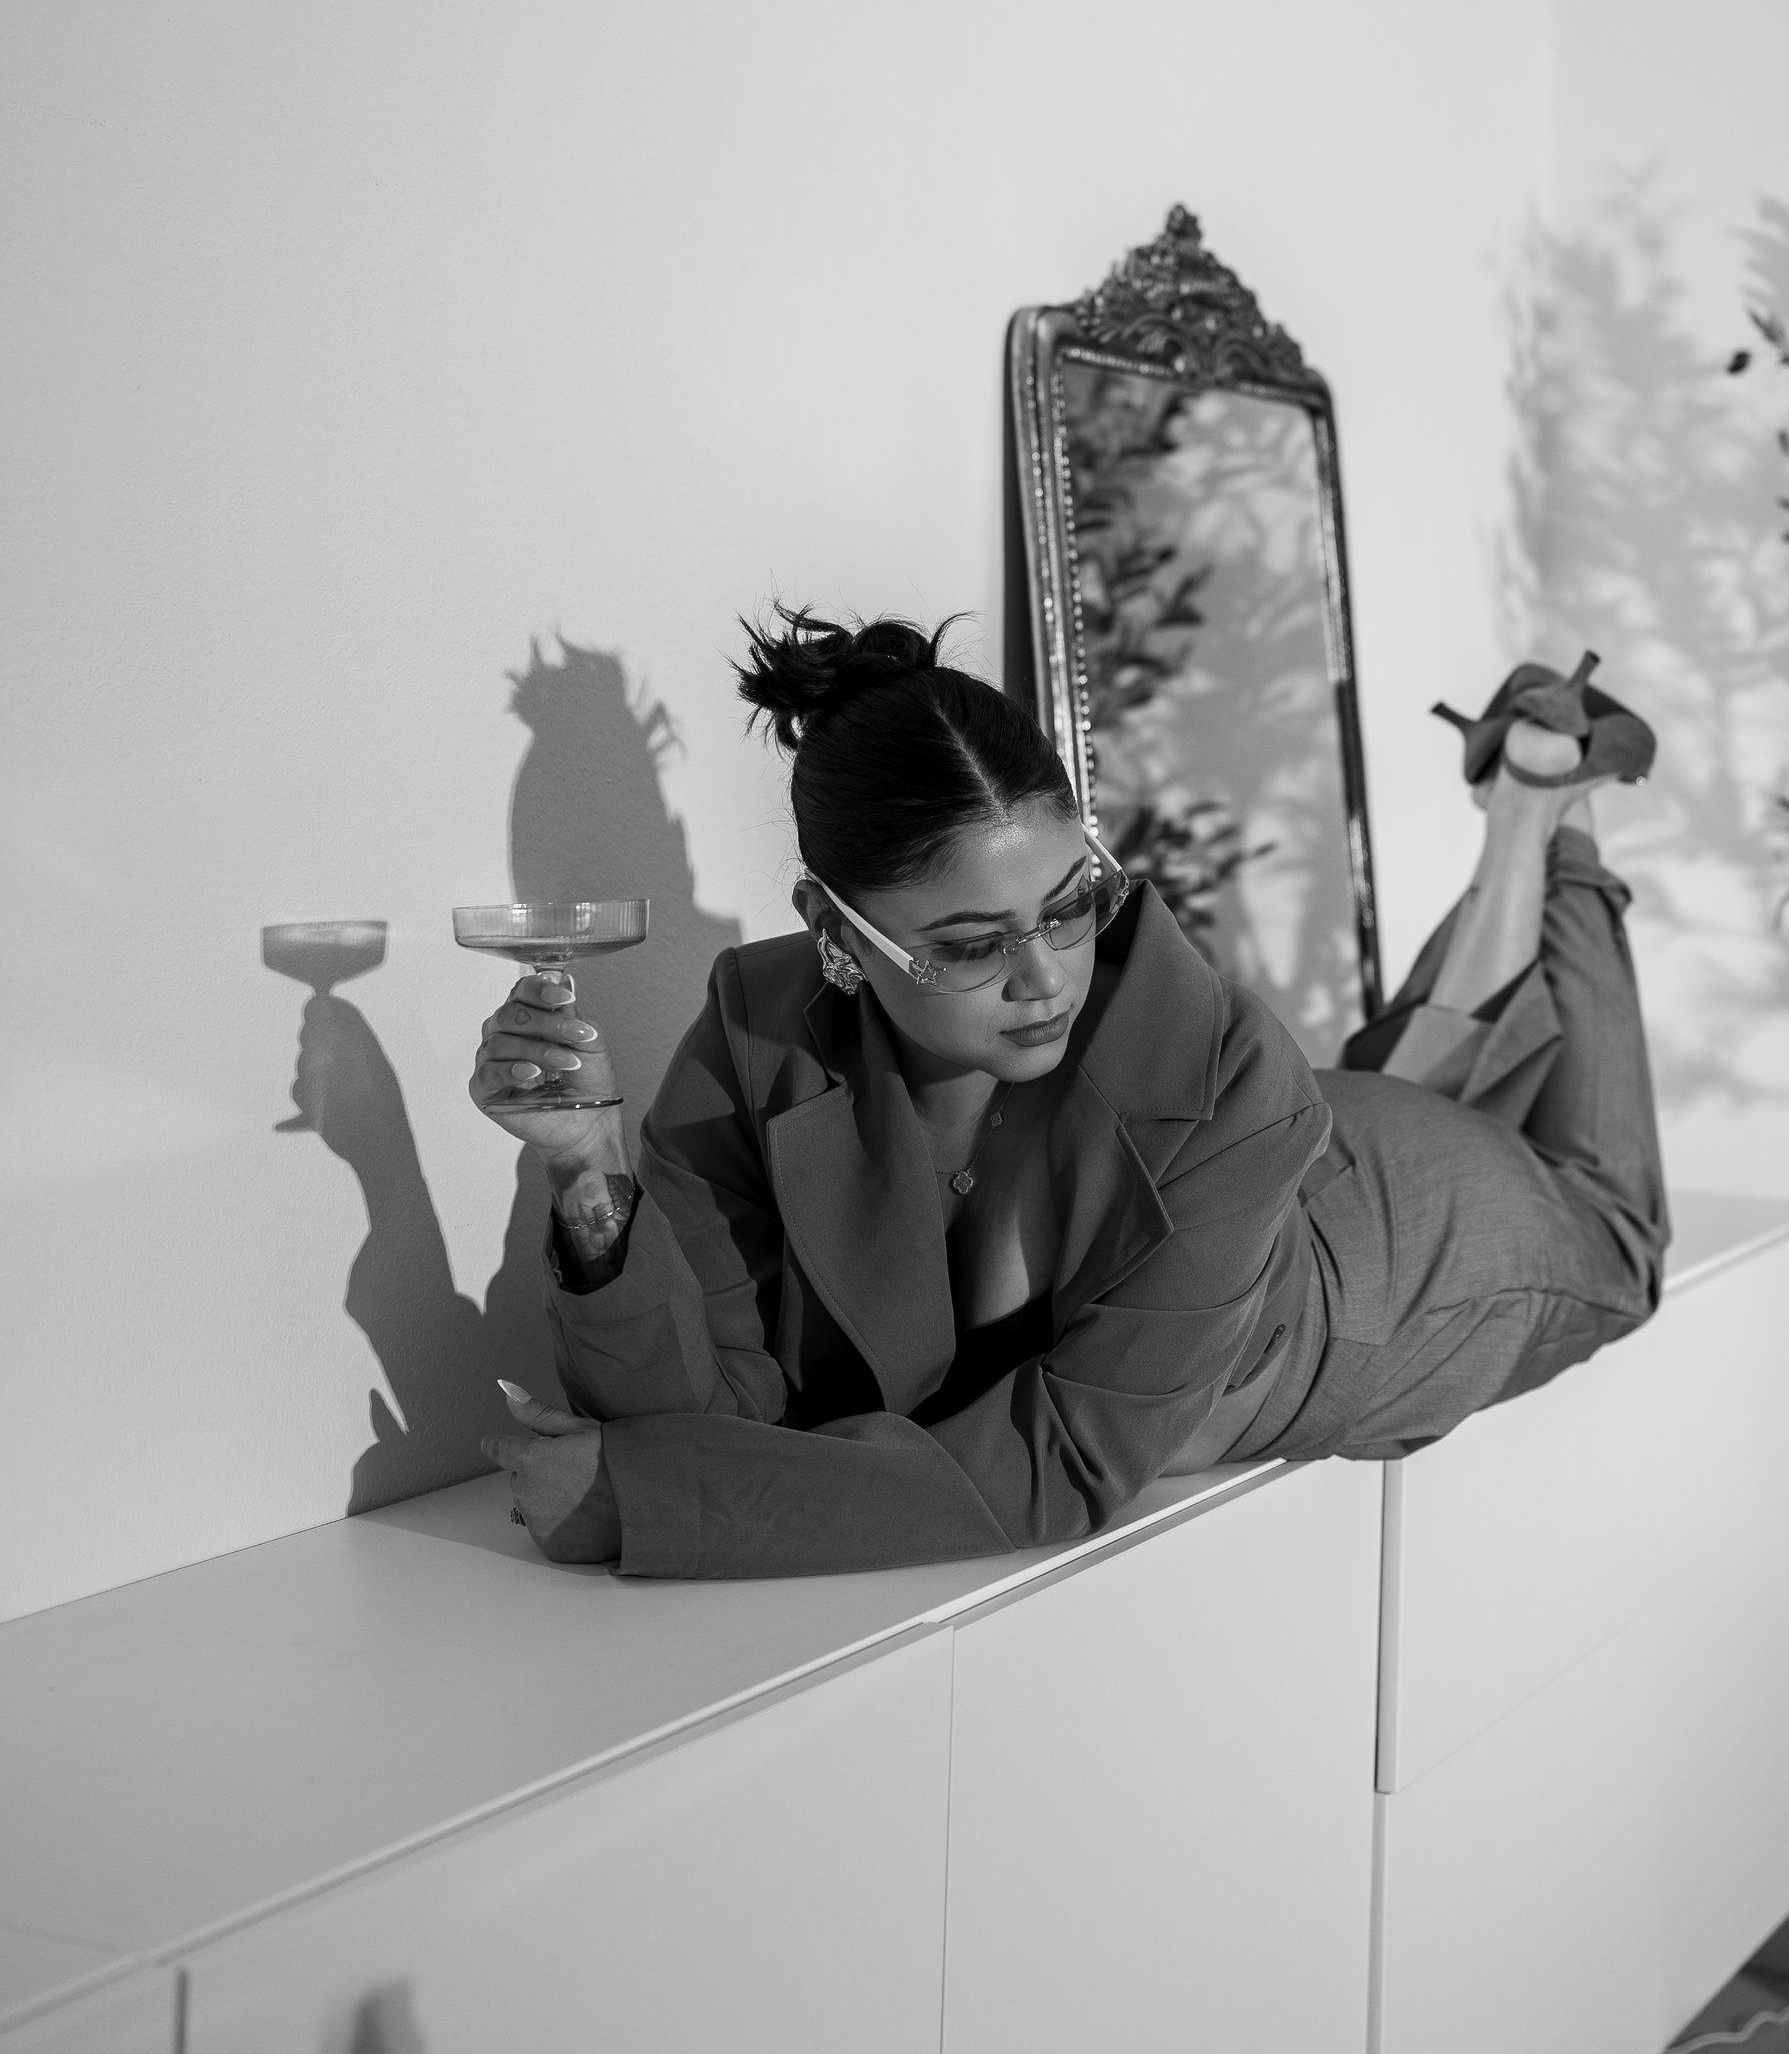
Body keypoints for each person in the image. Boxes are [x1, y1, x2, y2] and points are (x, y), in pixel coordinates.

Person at [473, 613, 1668, 1575]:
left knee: (1614, 1232)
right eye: (971, 944)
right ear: (833, 931)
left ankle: (1550, 834)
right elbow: (705, 1409)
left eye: (1067, 904)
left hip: (1399, 1257)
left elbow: (1063, 1462)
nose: (1045, 977)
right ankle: (1524, 817)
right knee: (1402, 1056)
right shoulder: (760, 1030)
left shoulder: (1222, 1069)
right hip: (1298, 1140)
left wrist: (642, 1505)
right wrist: (586, 1168)